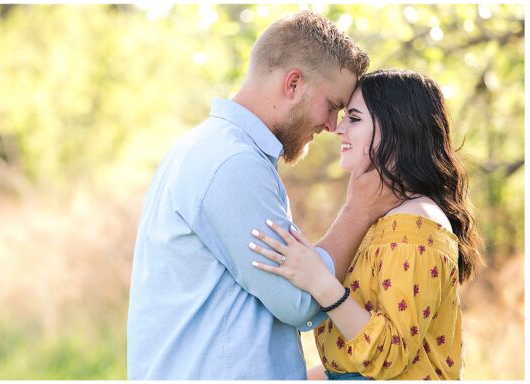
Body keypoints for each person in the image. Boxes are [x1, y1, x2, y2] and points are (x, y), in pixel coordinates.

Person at [127, 11, 400, 380]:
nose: (332, 125)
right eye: (333, 106)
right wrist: (359, 210)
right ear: (293, 85)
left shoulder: (209, 148)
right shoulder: (232, 164)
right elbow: (299, 299)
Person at [250, 69, 485, 380]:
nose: (339, 128)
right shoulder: (387, 217)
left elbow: (388, 355)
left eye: (355, 119)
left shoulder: (416, 222)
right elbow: (351, 363)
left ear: (396, 129)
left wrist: (319, 280)